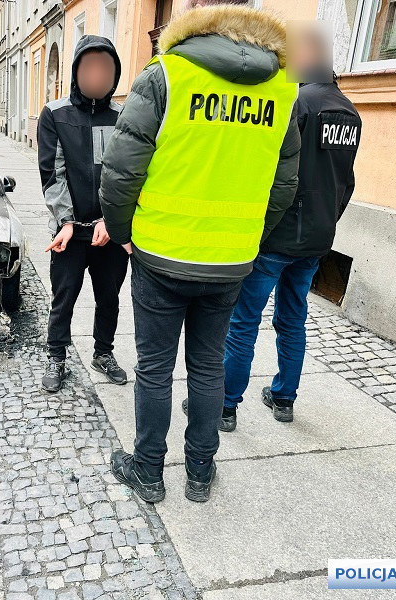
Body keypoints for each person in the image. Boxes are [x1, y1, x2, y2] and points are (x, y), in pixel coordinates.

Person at [100, 0, 301, 503]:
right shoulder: (284, 90)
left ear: (193, 18)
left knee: (154, 368)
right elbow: (284, 185)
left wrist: (124, 232)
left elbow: (121, 172)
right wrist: (248, 238)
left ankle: (148, 471)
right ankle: (200, 473)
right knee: (208, 367)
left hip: (160, 254)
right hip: (230, 261)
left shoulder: (165, 75)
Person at [219, 26, 361, 430]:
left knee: (243, 320)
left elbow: (273, 171)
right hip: (317, 239)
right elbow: (345, 182)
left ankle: (226, 407)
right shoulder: (351, 112)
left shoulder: (296, 102)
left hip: (279, 234)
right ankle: (284, 398)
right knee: (293, 318)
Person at [37, 35, 129, 393]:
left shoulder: (124, 117)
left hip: (111, 232)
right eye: (89, 66)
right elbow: (52, 173)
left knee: (109, 297)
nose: (98, 73)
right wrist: (65, 221)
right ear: (76, 71)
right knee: (64, 296)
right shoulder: (55, 115)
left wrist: (113, 218)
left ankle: (103, 353)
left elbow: (126, 174)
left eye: (106, 67)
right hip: (70, 232)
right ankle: (56, 355)